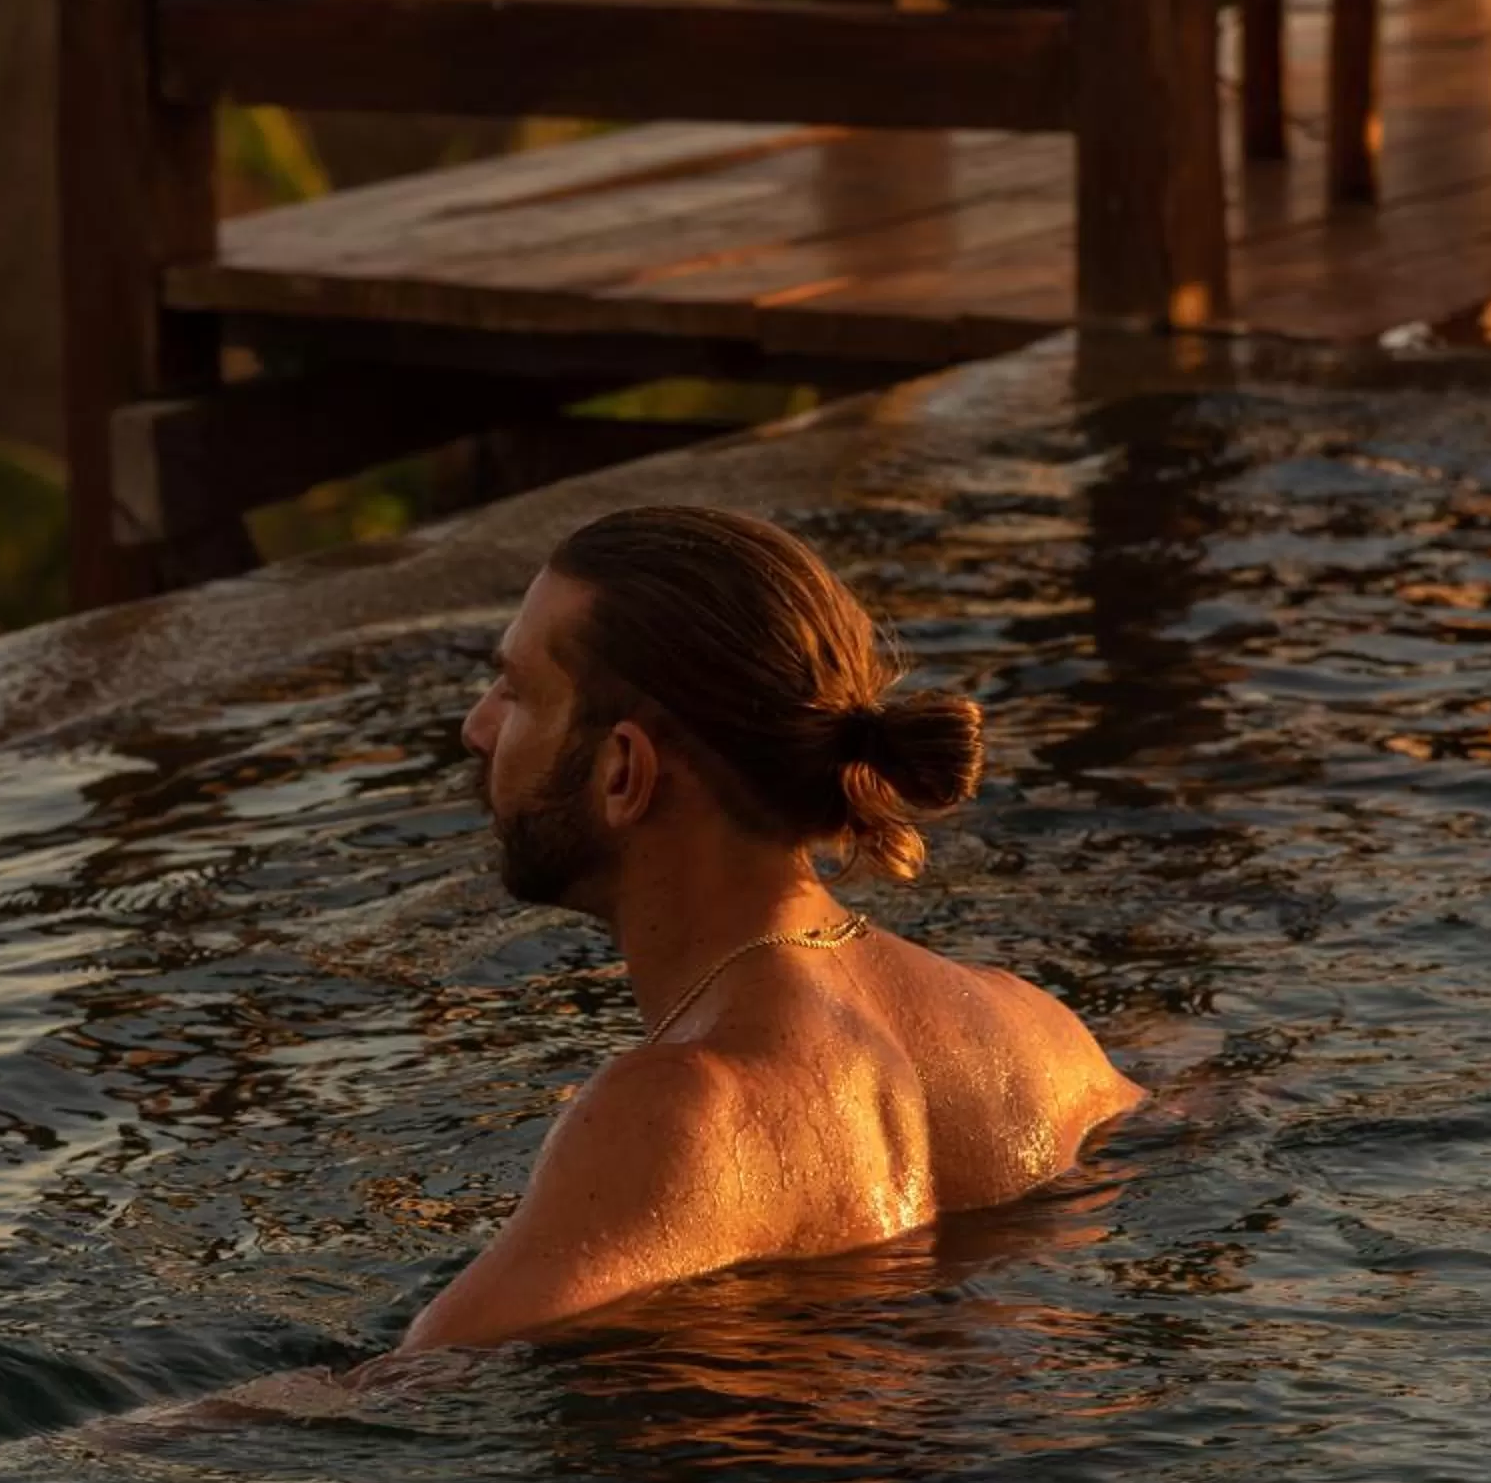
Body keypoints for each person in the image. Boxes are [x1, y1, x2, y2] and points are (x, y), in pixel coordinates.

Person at [401, 505, 1143, 1352]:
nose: (478, 728)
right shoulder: (1040, 1035)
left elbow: (412, 1385)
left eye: (517, 692)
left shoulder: (675, 1112)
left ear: (623, 772)